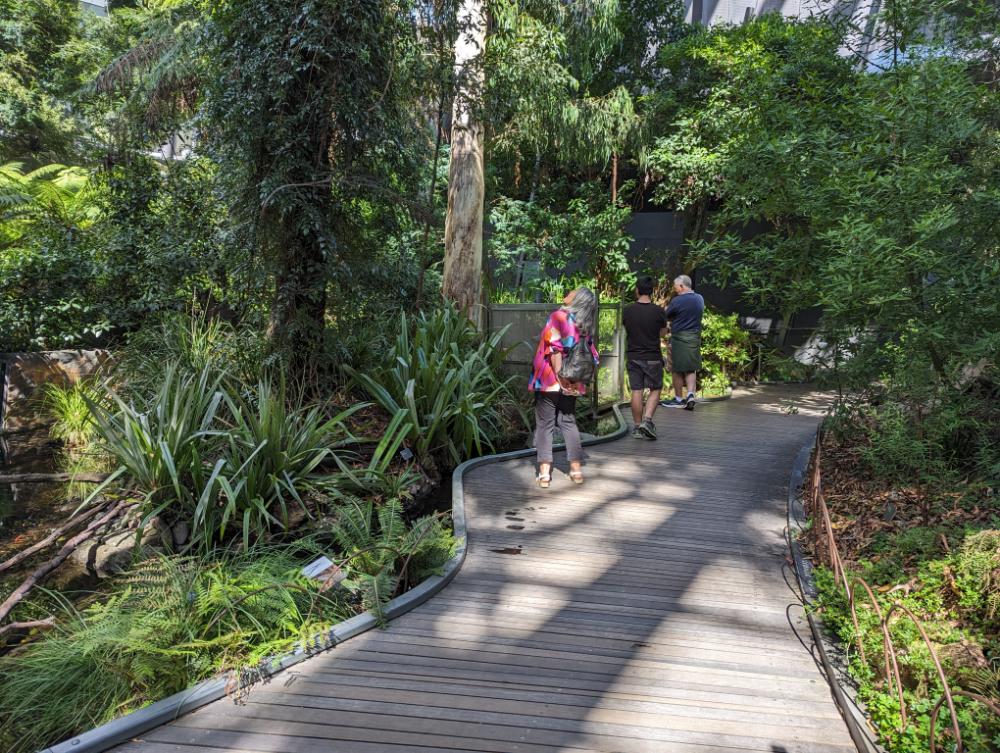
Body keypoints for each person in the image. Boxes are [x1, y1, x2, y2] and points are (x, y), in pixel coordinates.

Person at [528, 287, 600, 488]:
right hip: (574, 379)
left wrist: (561, 378)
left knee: (545, 424)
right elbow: (591, 355)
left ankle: (544, 474)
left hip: (551, 378)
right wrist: (573, 381)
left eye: (573, 292)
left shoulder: (558, 317)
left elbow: (554, 348)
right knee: (568, 421)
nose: (568, 292)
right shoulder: (585, 324)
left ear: (577, 299)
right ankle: (576, 470)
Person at [623, 275, 668, 440]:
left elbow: (626, 328)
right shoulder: (659, 311)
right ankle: (647, 421)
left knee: (637, 390)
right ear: (652, 291)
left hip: (634, 355)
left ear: (637, 290)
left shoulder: (628, 311)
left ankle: (636, 427)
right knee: (655, 389)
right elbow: (663, 333)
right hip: (653, 356)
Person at [662, 274, 705, 411]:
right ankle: (691, 395)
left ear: (682, 286)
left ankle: (679, 399)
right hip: (694, 337)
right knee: (690, 367)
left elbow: (666, 316)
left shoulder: (677, 301)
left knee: (676, 369)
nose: (675, 290)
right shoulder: (699, 298)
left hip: (679, 337)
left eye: (676, 287)